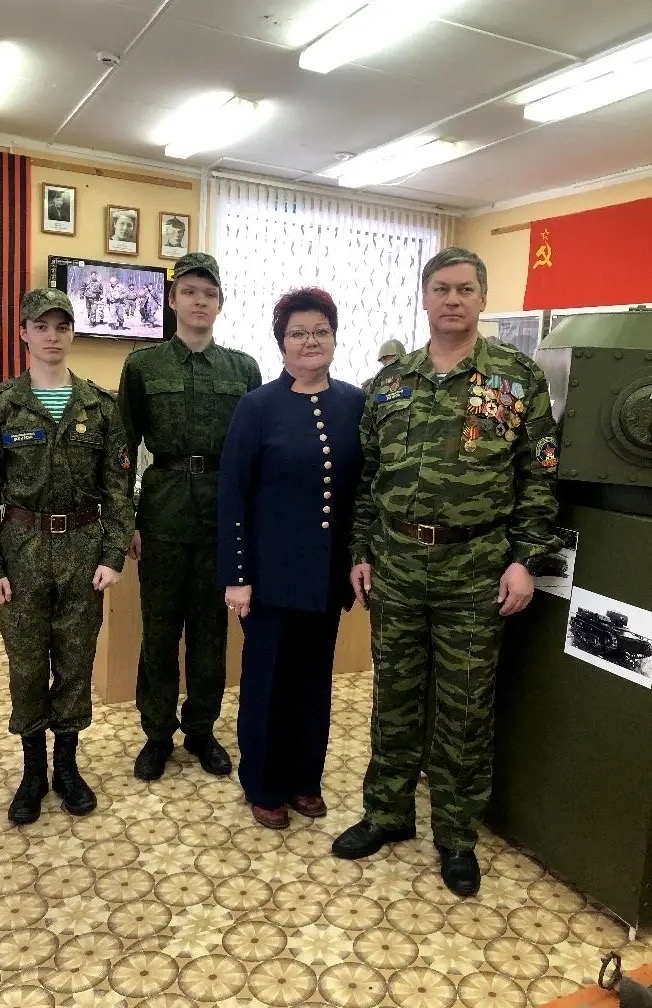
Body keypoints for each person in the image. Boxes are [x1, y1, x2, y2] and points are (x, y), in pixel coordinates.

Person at [332, 247, 562, 897]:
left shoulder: (516, 378)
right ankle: (387, 813)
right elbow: (367, 480)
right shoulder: (389, 383)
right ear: (425, 298)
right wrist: (360, 551)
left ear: (482, 298)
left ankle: (457, 834)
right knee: (395, 698)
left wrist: (525, 561)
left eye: (464, 289)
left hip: (476, 568)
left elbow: (539, 478)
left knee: (464, 708)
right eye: (441, 288)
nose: (452, 299)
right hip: (397, 564)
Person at [0, 288, 134, 826]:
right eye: (41, 326)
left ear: (72, 333)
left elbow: (118, 489)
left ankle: (67, 766)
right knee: (27, 664)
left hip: (83, 546)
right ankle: (33, 771)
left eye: (62, 326)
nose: (52, 336)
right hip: (22, 547)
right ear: (24, 333)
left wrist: (113, 553)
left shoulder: (100, 406)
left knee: (76, 660)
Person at [219, 288, 364, 829]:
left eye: (320, 331)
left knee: (313, 683)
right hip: (270, 579)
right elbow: (234, 495)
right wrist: (237, 576)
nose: (310, 341)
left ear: (335, 338)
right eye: (298, 333)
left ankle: (306, 779)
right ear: (281, 342)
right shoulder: (257, 406)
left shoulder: (354, 403)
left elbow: (361, 489)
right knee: (268, 685)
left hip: (326, 578)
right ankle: (264, 783)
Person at [118, 252, 261, 782]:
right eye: (190, 292)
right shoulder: (143, 366)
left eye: (210, 294)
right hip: (162, 511)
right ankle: (157, 734)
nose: (200, 301)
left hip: (222, 515)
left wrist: (250, 526)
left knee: (210, 632)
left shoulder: (243, 369)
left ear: (221, 303)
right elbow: (123, 447)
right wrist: (127, 519)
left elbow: (255, 454)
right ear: (172, 300)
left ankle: (201, 729)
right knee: (159, 631)